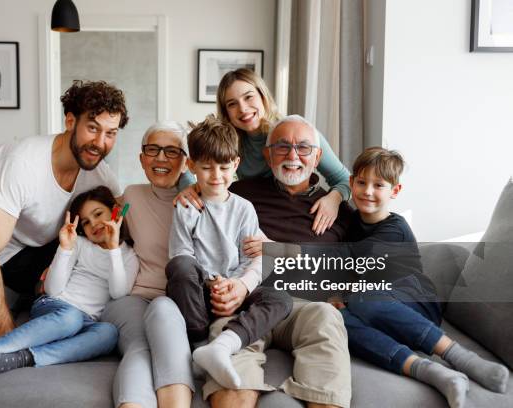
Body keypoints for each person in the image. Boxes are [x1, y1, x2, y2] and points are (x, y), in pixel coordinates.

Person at [329, 147, 509, 408]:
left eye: (378, 185)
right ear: (351, 183)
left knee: (362, 297)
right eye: (361, 182)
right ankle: (434, 373)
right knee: (334, 319)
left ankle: (462, 358)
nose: (367, 191)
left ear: (395, 191)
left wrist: (338, 289)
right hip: (372, 311)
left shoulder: (395, 230)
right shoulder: (351, 221)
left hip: (415, 304)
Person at [0, 80, 129, 338]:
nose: (99, 143)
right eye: (92, 128)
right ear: (70, 121)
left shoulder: (101, 177)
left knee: (97, 252)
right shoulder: (21, 163)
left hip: (43, 249)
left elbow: (125, 222)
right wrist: (9, 341)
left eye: (110, 133)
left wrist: (189, 189)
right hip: (2, 256)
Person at [208, 115, 353, 408]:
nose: (293, 156)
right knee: (227, 350)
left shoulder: (337, 208)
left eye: (303, 147)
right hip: (249, 300)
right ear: (267, 154)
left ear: (318, 156)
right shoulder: (238, 193)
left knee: (327, 317)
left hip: (304, 306)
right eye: (282, 147)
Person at [0, 186, 138, 390]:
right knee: (70, 318)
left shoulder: (129, 256)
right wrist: (65, 248)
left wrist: (113, 248)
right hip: (55, 306)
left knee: (109, 333)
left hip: (86, 321)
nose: (94, 224)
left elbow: (118, 293)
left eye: (98, 214)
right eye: (86, 222)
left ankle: (23, 358)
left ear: (115, 211)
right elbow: (52, 289)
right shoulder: (79, 243)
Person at [165, 115, 293, 390]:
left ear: (235, 165)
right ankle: (199, 345)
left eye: (224, 167)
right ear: (192, 166)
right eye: (207, 168)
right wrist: (212, 283)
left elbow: (252, 257)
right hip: (199, 293)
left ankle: (224, 344)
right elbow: (180, 254)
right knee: (180, 268)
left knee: (280, 298)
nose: (216, 176)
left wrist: (235, 285)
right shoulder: (186, 206)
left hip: (236, 288)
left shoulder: (244, 208)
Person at [176, 68, 350, 236]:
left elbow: (345, 179)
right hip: (260, 211)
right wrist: (190, 186)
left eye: (249, 97)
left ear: (263, 96)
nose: (243, 109)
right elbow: (193, 161)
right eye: (232, 104)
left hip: (295, 207)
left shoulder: (295, 133)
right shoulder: (232, 142)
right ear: (226, 112)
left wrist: (333, 199)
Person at [101, 121, 194, 408]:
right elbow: (103, 224)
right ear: (142, 159)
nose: (161, 158)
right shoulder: (130, 196)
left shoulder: (200, 202)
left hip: (179, 302)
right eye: (153, 150)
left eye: (171, 151)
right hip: (134, 298)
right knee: (140, 346)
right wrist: (60, 258)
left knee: (164, 313)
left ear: (186, 161)